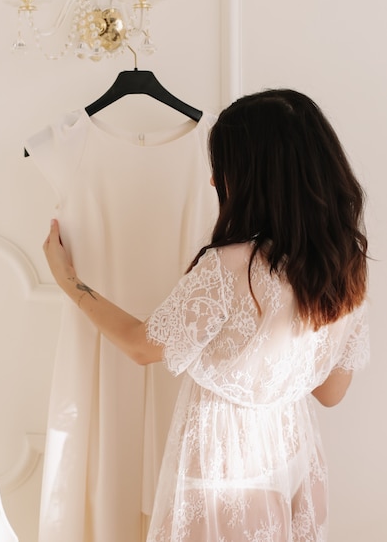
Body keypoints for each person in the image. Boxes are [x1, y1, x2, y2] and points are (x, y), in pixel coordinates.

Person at [43, 89, 369, 541]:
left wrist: (68, 281)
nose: (215, 182)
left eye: (223, 167)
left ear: (254, 175)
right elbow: (331, 392)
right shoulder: (343, 266)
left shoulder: (229, 266)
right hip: (296, 460)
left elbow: (141, 346)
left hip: (225, 468)